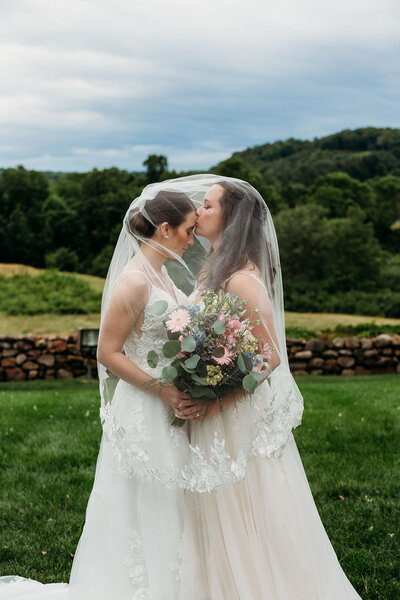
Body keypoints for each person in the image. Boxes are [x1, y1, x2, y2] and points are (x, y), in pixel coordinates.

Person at [0, 175, 364, 599]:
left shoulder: (237, 278)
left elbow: (268, 355)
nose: (200, 214)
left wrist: (218, 395)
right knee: (178, 512)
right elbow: (129, 344)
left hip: (225, 418)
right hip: (174, 411)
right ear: (164, 229)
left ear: (232, 217)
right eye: (196, 214)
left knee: (237, 513)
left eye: (208, 207)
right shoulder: (198, 273)